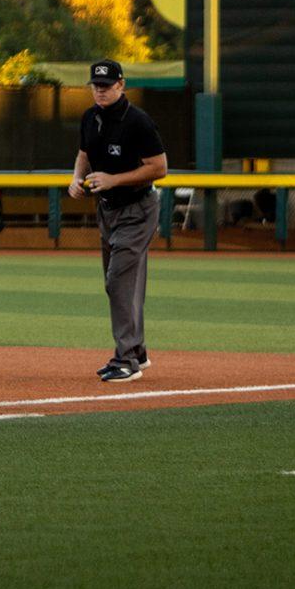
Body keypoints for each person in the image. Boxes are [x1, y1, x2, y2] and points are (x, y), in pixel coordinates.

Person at [68, 60, 168, 383]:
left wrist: (114, 180)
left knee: (118, 280)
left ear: (121, 85)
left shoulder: (137, 121)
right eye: (96, 85)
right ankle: (136, 349)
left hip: (137, 209)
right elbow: (84, 153)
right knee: (123, 280)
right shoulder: (90, 117)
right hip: (107, 211)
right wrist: (75, 179)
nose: (100, 91)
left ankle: (125, 359)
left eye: (107, 85)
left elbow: (159, 167)